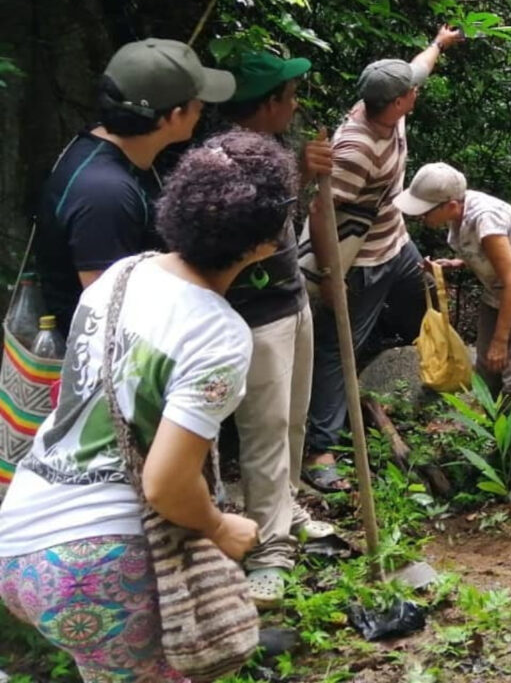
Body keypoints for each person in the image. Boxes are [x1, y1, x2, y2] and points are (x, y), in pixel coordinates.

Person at [0, 132, 298, 682]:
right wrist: (220, 526)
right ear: (265, 243)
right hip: (95, 558)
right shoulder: (218, 332)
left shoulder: (121, 275)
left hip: (22, 533)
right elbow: (164, 483)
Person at [303, 25, 464, 489]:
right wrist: (333, 275)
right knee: (339, 347)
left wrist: (438, 43)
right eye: (410, 92)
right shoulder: (355, 149)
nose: (416, 93)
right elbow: (321, 211)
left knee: (422, 308)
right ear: (397, 102)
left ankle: (378, 366)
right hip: (362, 262)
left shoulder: (389, 107)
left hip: (396, 243)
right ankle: (320, 448)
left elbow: (417, 68)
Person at [215, 50, 335, 608]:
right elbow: (245, 242)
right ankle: (267, 550)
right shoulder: (224, 161)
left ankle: (286, 505)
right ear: (266, 105)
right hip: (255, 316)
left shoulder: (275, 152)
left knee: (293, 420)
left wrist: (304, 177)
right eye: (288, 97)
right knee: (263, 433)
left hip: (291, 302)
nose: (295, 105)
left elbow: (285, 225)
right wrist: (300, 175)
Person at [35, 38, 236, 337]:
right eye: (198, 100)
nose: (203, 107)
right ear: (174, 115)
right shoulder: (105, 194)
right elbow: (109, 319)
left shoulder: (115, 148)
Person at [394, 162, 511, 470]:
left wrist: (501, 341)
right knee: (487, 374)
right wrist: (458, 263)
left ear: (449, 205)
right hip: (499, 292)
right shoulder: (459, 212)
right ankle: (504, 445)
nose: (421, 218)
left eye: (425, 212)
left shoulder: (485, 219)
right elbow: (490, 254)